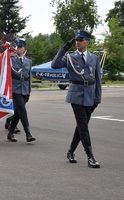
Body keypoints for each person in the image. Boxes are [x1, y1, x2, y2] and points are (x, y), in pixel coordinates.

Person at [51, 30, 102, 168]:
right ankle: (90, 156)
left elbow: (98, 78)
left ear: (87, 42)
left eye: (80, 40)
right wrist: (63, 49)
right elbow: (54, 65)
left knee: (81, 126)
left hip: (90, 95)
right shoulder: (69, 57)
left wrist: (98, 97)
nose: (77, 42)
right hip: (76, 94)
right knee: (83, 126)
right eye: (76, 40)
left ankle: (71, 151)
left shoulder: (94, 58)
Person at [7, 40, 36, 143]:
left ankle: (10, 132)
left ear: (24, 48)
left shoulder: (28, 61)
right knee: (22, 110)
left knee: (18, 112)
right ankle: (28, 133)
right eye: (17, 47)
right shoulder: (11, 60)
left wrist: (29, 90)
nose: (18, 49)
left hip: (25, 88)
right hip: (15, 88)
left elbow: (29, 77)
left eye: (20, 47)